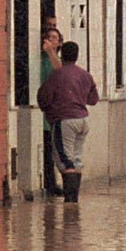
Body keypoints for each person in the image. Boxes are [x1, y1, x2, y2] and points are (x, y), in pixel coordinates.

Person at [37, 41, 99, 203]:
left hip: (64, 121)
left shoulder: (57, 74)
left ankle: (70, 202)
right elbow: (93, 99)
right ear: (77, 56)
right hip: (83, 120)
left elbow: (44, 98)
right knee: (76, 159)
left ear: (62, 55)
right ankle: (73, 204)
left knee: (64, 159)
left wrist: (49, 110)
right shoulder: (85, 75)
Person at [39, 26, 64, 197]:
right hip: (41, 107)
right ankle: (49, 183)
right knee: (47, 148)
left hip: (52, 112)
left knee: (53, 149)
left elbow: (60, 71)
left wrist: (50, 52)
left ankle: (52, 183)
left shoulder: (56, 59)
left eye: (54, 37)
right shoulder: (39, 59)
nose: (51, 39)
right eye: (49, 36)